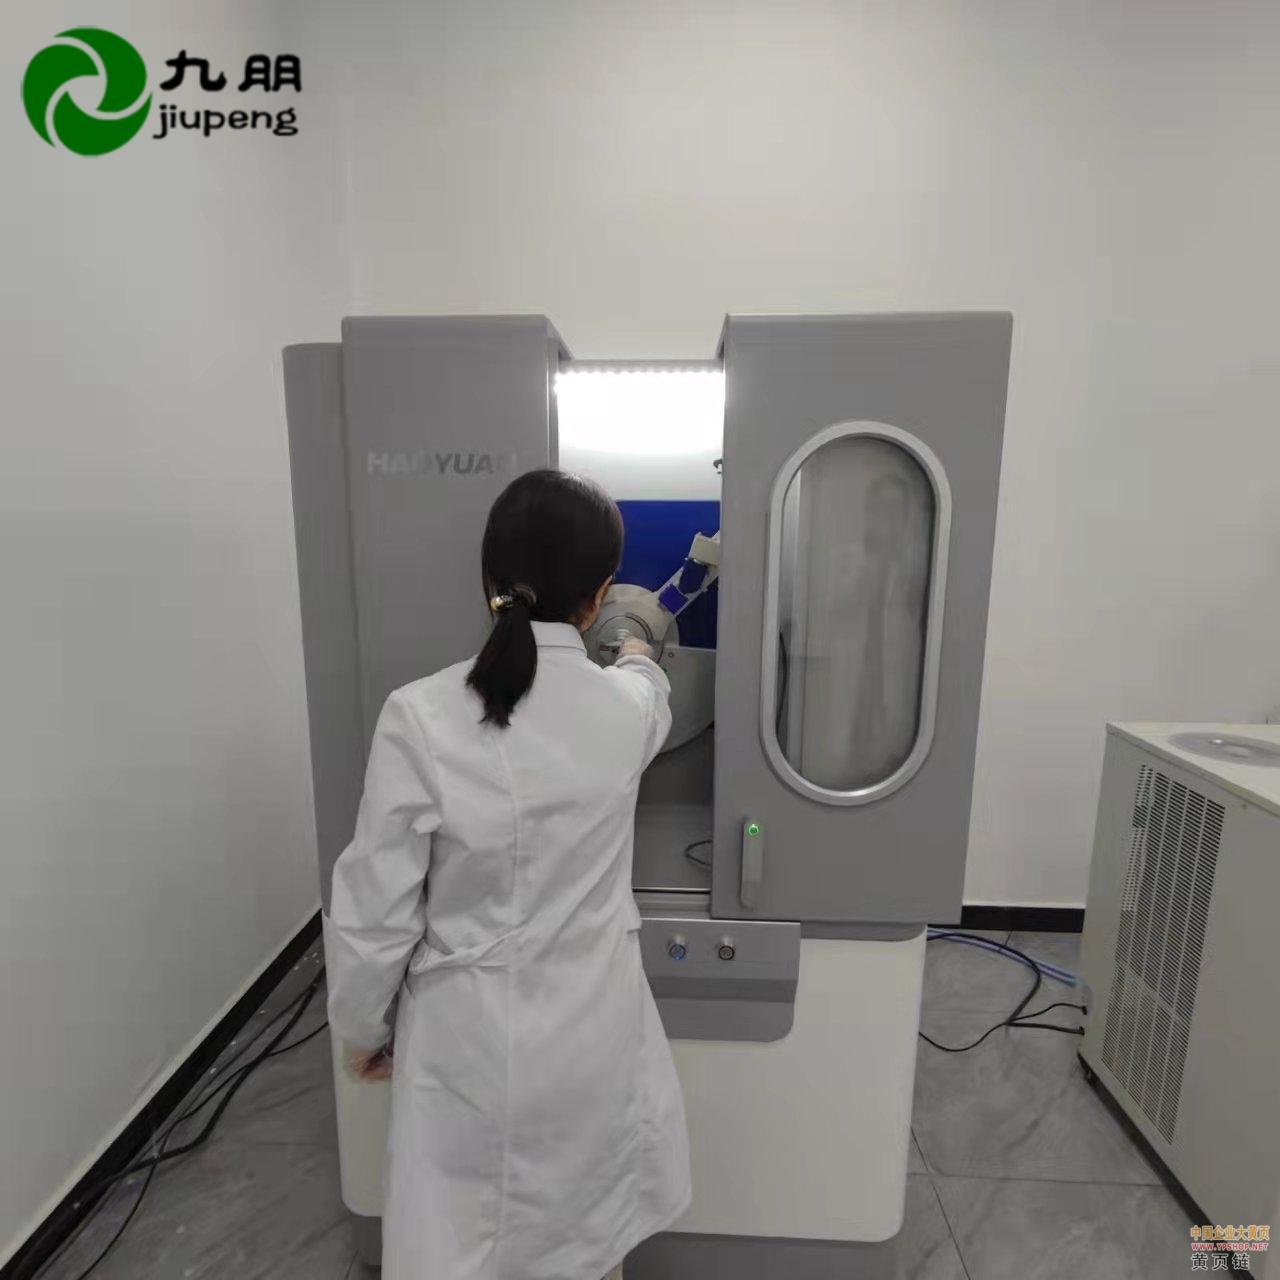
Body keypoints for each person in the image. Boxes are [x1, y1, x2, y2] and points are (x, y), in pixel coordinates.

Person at [324, 469, 691, 1280]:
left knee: (466, 1246)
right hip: (593, 1039)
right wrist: (636, 647)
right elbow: (648, 685)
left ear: (491, 579)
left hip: (469, 1048)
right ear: (599, 594)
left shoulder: (420, 715)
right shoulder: (625, 711)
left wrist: (364, 1028)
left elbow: (373, 914)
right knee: (585, 1241)